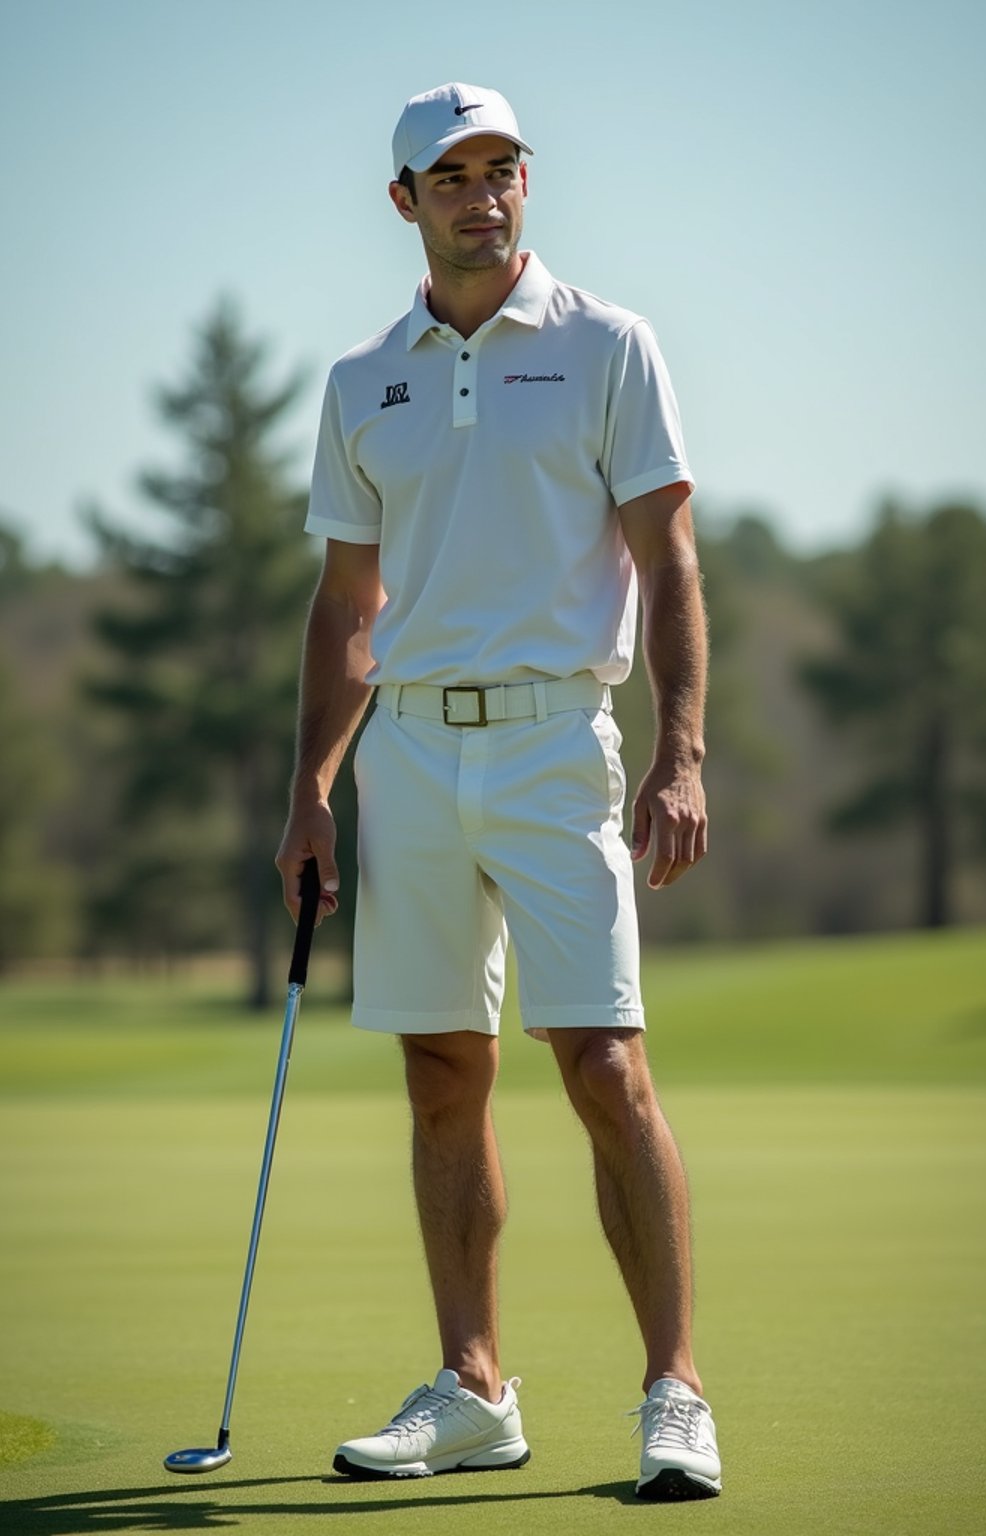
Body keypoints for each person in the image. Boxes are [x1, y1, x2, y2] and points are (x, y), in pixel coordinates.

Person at [276, 81, 722, 1502]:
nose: (485, 194)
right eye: (451, 175)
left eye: (504, 169)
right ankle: (473, 1388)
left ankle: (675, 1393)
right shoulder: (364, 382)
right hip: (406, 752)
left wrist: (684, 747)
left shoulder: (607, 345)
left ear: (526, 186)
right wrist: (312, 789)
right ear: (405, 202)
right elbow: (349, 602)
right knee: (438, 1075)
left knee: (603, 1063)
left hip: (555, 743)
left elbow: (671, 560)